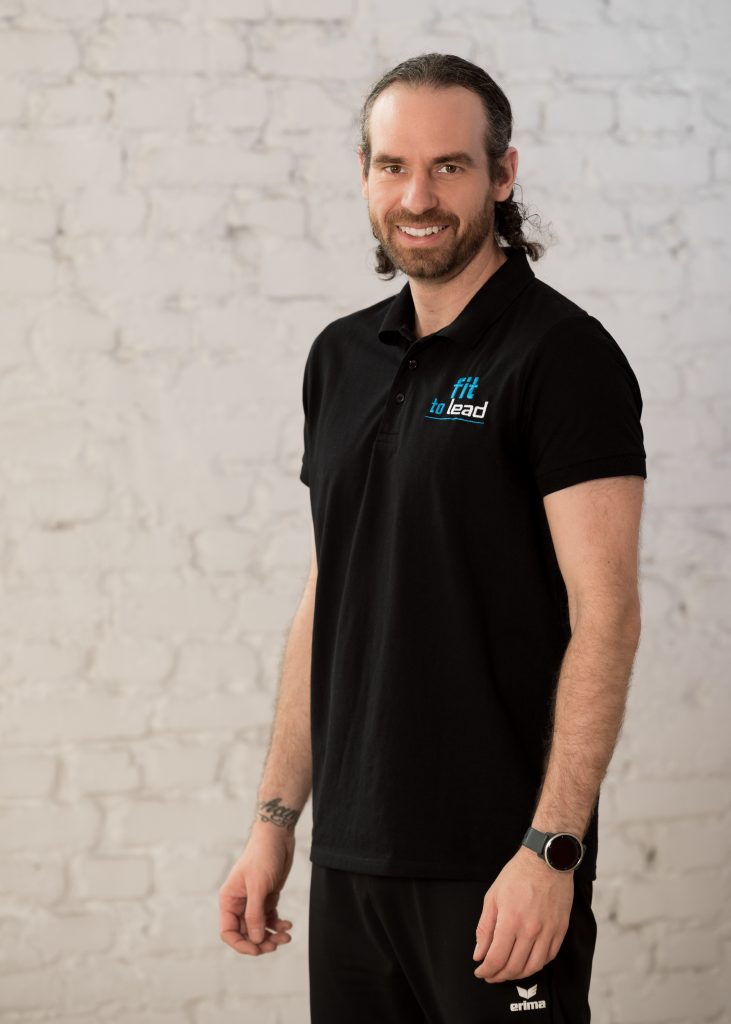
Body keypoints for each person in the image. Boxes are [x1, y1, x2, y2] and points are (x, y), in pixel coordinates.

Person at [219, 52, 647, 1024]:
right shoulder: (339, 357)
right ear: (365, 175)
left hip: (497, 866)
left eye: (448, 166)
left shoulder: (561, 356)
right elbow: (329, 593)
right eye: (392, 166)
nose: (416, 197)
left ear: (501, 174)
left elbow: (607, 616)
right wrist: (275, 821)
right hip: (350, 861)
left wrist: (551, 850)